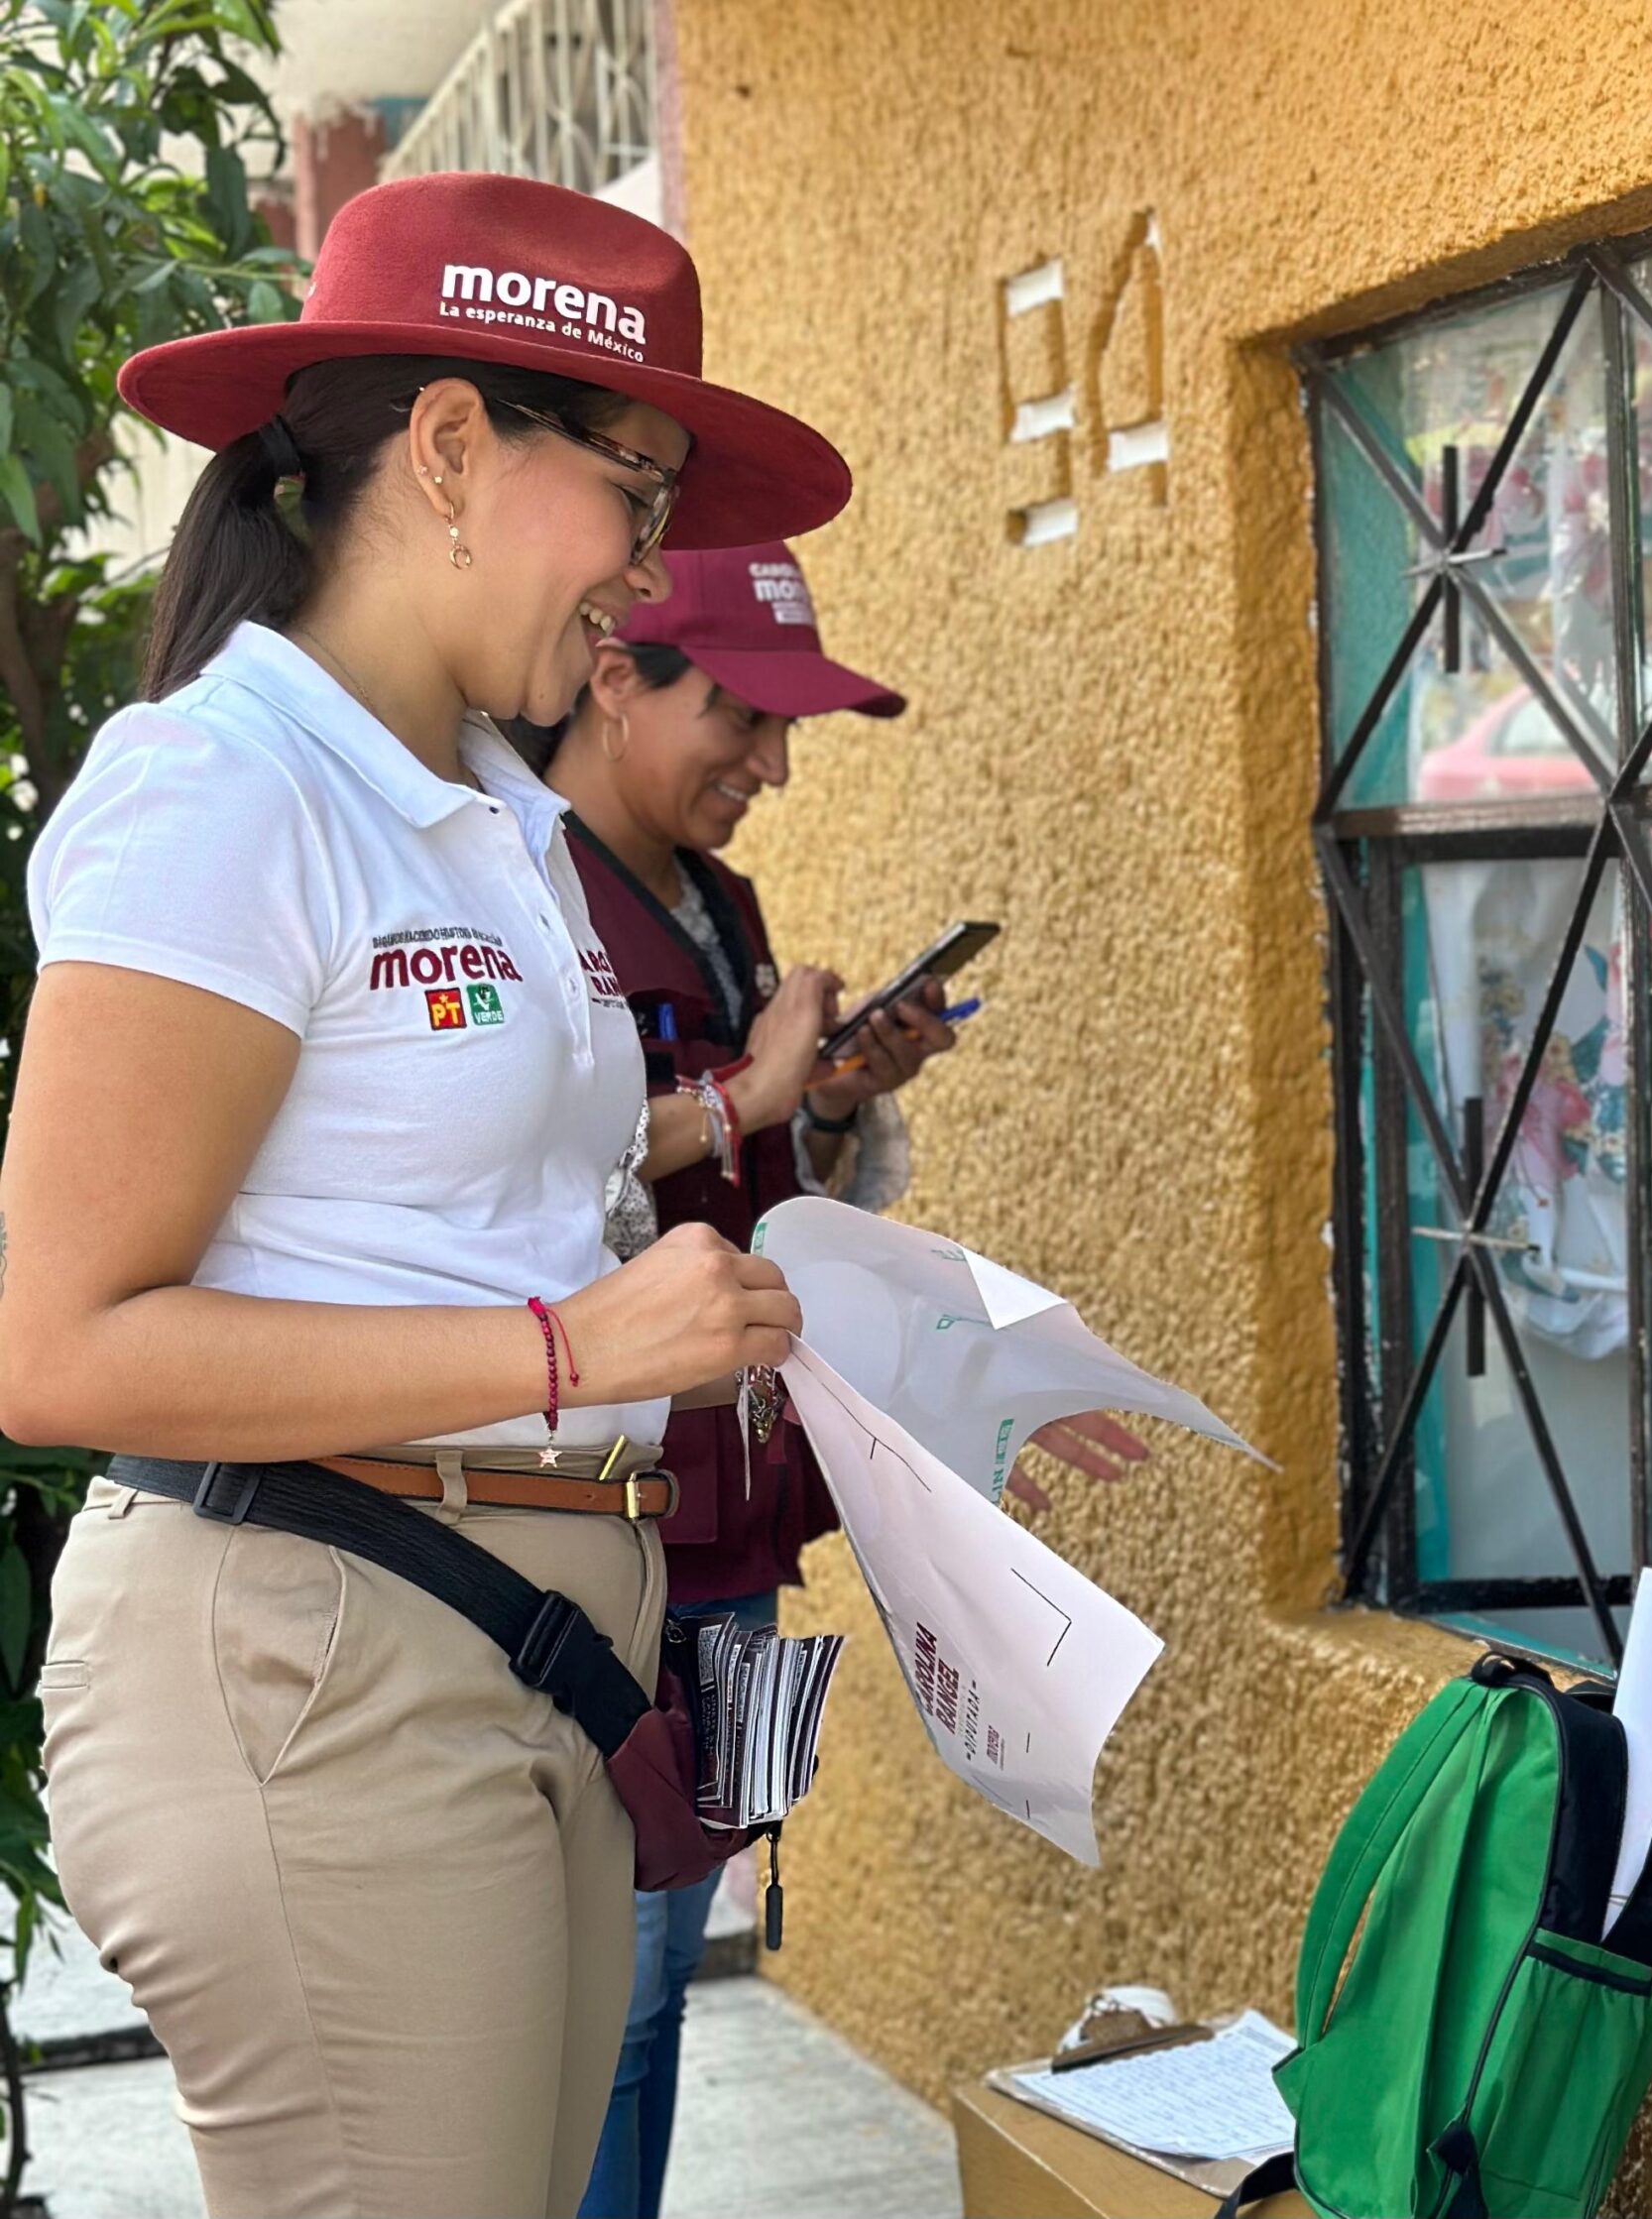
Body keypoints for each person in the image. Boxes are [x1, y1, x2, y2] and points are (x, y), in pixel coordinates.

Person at [1, 174, 857, 2218]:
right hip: (320, 1675)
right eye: (634, 495)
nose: (648, 575)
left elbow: (474, 1198)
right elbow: (54, 1343)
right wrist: (572, 1350)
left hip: (510, 1663)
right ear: (454, 449)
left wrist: (861, 1343)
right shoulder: (229, 785)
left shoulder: (482, 806)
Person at [539, 540, 1149, 2219]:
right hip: (595, 1525)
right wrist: (749, 1093)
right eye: (738, 713)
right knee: (593, 1990)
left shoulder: (711, 899)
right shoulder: (522, 894)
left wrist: (824, 1099)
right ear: (615, 678)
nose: (773, 763)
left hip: (738, 1537)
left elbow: (753, 1203)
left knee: (663, 1969)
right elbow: (528, 1187)